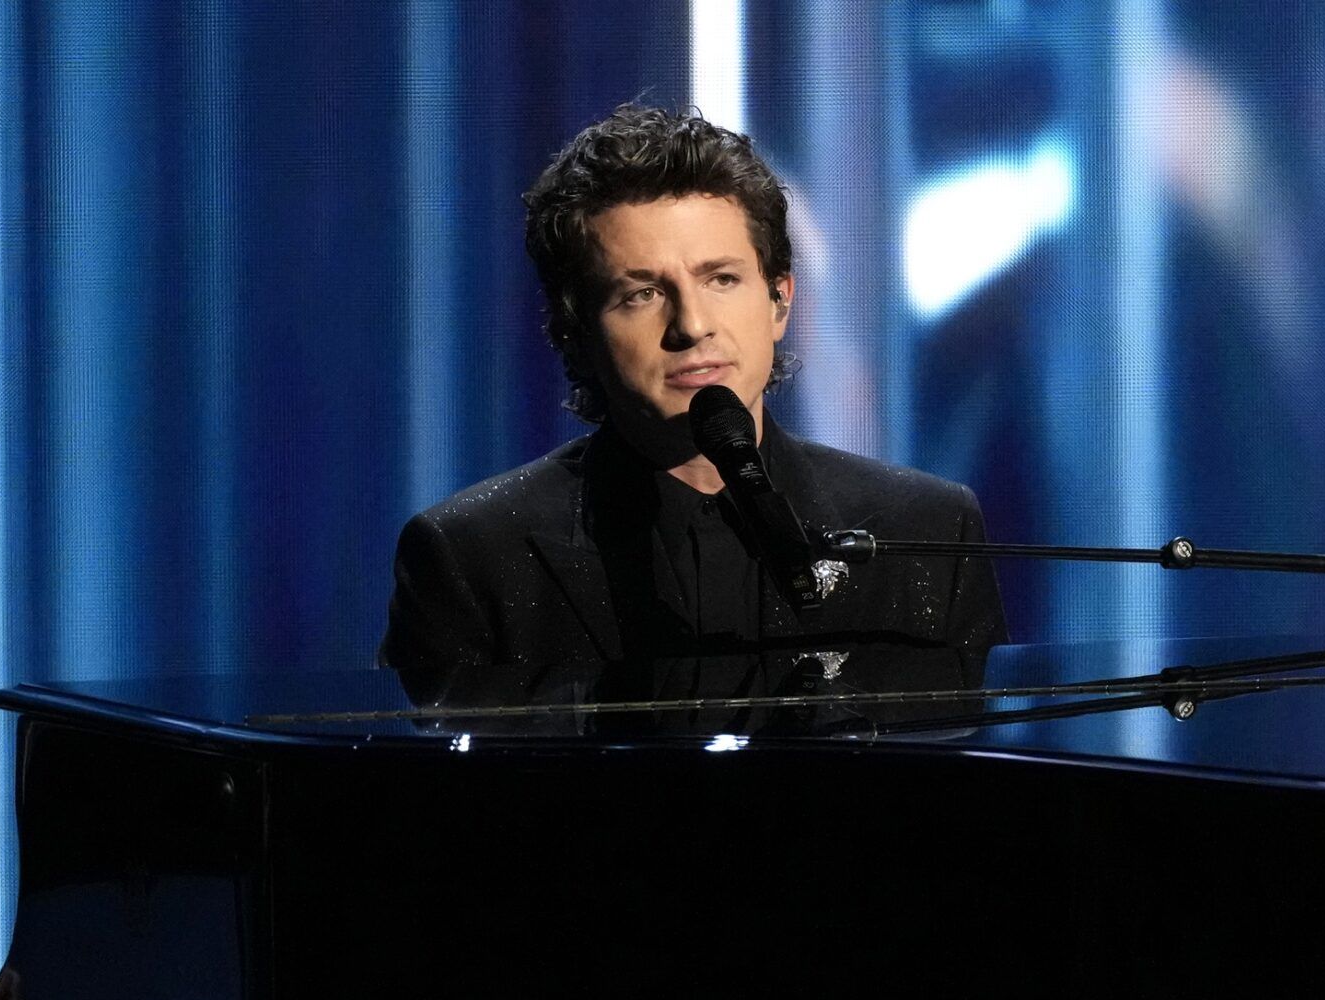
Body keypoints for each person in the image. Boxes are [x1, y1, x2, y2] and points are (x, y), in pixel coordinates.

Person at [380, 104, 1006, 669]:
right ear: (574, 332)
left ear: (780, 300)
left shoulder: (927, 529)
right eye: (642, 294)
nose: (692, 325)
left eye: (722, 280)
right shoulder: (471, 558)